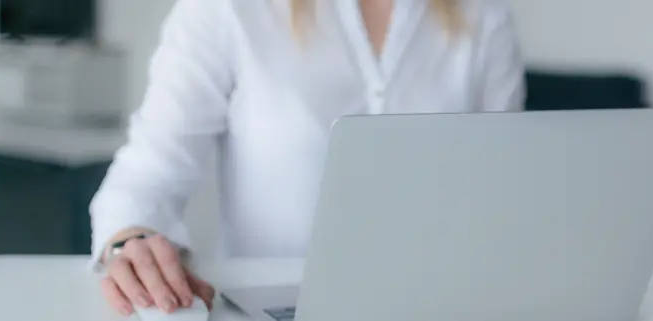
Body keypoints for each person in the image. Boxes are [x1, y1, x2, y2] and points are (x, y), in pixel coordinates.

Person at [90, 0, 526, 316]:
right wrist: (130, 240)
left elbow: (506, 190)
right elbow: (150, 170)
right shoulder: (227, 10)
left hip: (444, 305)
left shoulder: (485, 15)